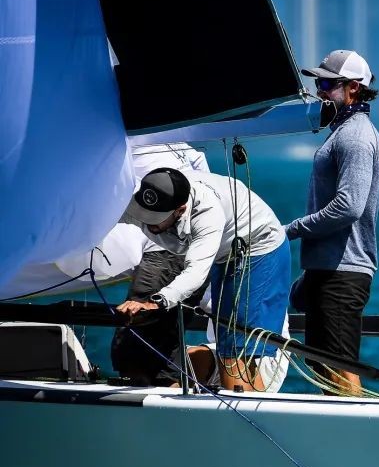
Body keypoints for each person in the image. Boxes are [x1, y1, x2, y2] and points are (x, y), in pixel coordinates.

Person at [117, 168, 291, 392]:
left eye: (156, 220)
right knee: (225, 340)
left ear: (181, 210)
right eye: (145, 215)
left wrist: (157, 301)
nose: (149, 225)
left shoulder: (208, 213)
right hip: (223, 253)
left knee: (236, 345)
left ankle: (245, 418)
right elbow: (95, 220)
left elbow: (196, 272)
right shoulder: (141, 201)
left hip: (258, 247)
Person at [285, 50, 379, 396]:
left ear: (353, 89)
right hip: (328, 270)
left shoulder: (354, 136)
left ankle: (356, 444)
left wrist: (289, 231)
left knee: (339, 366)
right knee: (323, 365)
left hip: (344, 274)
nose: (320, 91)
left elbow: (348, 206)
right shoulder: (341, 132)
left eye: (327, 83)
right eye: (317, 83)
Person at [111, 142, 211, 382]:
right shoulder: (174, 139)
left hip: (166, 252)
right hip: (182, 246)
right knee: (158, 350)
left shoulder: (131, 134)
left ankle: (153, 411)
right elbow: (199, 165)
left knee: (137, 346)